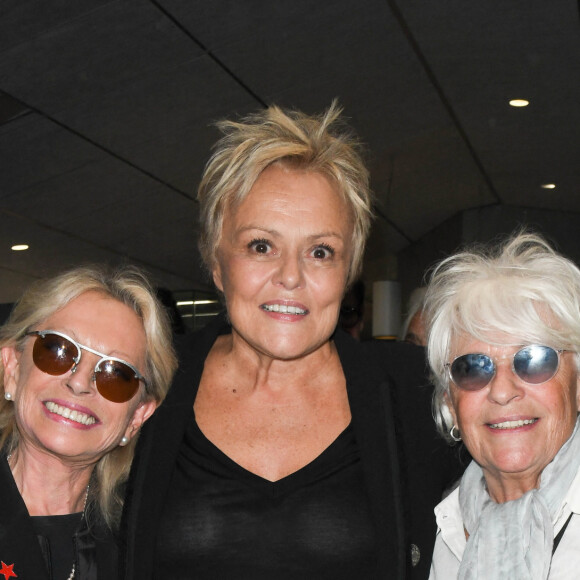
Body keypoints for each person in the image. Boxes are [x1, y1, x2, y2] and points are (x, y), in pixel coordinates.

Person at [121, 103, 461, 579]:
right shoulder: (149, 382)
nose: (290, 277)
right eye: (262, 246)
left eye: (321, 252)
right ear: (216, 263)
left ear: (347, 273)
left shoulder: (414, 393)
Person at [0, 265, 176, 580]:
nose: (80, 383)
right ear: (12, 368)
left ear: (137, 416)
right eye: (57, 349)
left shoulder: (149, 546)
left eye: (116, 374)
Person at [425, 232, 580, 579]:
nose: (502, 391)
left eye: (534, 360)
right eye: (473, 368)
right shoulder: (429, 531)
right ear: (449, 400)